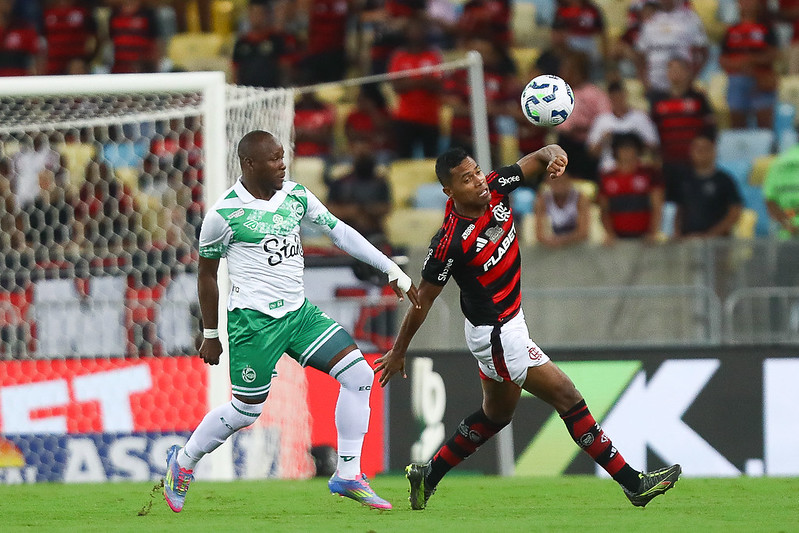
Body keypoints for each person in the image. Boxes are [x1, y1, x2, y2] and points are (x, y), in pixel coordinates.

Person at [374, 144, 681, 510]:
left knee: (496, 415)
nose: (478, 182)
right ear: (449, 192)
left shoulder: (497, 186)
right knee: (567, 396)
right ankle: (633, 483)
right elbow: (422, 299)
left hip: (503, 325)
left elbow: (536, 157)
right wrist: (398, 350)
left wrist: (555, 155)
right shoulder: (449, 242)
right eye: (466, 179)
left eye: (476, 172)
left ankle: (429, 475)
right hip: (498, 335)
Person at [163, 130, 420, 513]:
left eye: (283, 157)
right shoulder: (224, 214)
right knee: (245, 412)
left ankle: (348, 474)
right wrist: (211, 333)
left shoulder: (296, 196)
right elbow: (206, 276)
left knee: (359, 376)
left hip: (299, 315)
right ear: (250, 164)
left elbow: (340, 232)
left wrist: (388, 268)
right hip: (254, 322)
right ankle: (182, 463)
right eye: (274, 159)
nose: (283, 164)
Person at [670, 130, 742, 238]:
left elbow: (734, 212)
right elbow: (680, 210)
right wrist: (678, 234)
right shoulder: (684, 180)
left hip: (717, 243)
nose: (700, 152)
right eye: (697, 149)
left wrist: (710, 235)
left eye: (705, 149)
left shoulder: (724, 180)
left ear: (714, 151)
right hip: (688, 241)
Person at [718, 0, 778, 129]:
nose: (747, 3)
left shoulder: (766, 28)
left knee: (765, 126)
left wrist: (751, 60)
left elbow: (774, 54)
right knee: (737, 126)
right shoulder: (731, 30)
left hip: (761, 80)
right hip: (737, 80)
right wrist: (740, 65)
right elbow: (722, 59)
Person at [598, 133, 664, 244]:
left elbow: (657, 205)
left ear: (637, 150)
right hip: (618, 239)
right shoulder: (607, 176)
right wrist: (610, 234)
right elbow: (604, 210)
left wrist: (652, 232)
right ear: (616, 151)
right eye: (622, 148)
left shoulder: (649, 173)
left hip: (645, 239)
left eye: (630, 148)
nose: (626, 152)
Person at [634, 0, 709, 97]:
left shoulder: (690, 19)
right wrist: (644, 82)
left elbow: (703, 53)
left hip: (682, 86)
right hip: (655, 86)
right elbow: (640, 55)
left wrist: (692, 78)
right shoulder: (651, 20)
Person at [587, 80, 660, 173]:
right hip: (610, 169)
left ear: (625, 95)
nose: (617, 100)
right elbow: (591, 152)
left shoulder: (640, 117)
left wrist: (636, 138)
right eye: (614, 97)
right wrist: (603, 139)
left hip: (638, 169)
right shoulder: (602, 120)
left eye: (620, 96)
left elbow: (654, 146)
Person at [533, 170, 591, 247]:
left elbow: (583, 232)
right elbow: (539, 234)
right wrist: (550, 241)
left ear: (569, 181)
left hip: (576, 243)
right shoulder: (542, 200)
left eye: (562, 181)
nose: (559, 186)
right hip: (554, 242)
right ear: (548, 183)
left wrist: (562, 240)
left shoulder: (580, 198)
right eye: (555, 182)